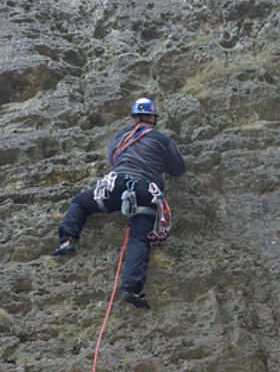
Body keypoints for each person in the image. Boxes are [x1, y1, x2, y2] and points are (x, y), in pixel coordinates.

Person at [52, 97, 186, 309]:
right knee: (139, 239)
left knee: (81, 202)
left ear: (134, 118)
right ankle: (131, 289)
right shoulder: (161, 140)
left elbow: (113, 159)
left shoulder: (121, 137)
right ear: (153, 118)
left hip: (115, 185)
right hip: (145, 191)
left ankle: (67, 241)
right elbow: (178, 169)